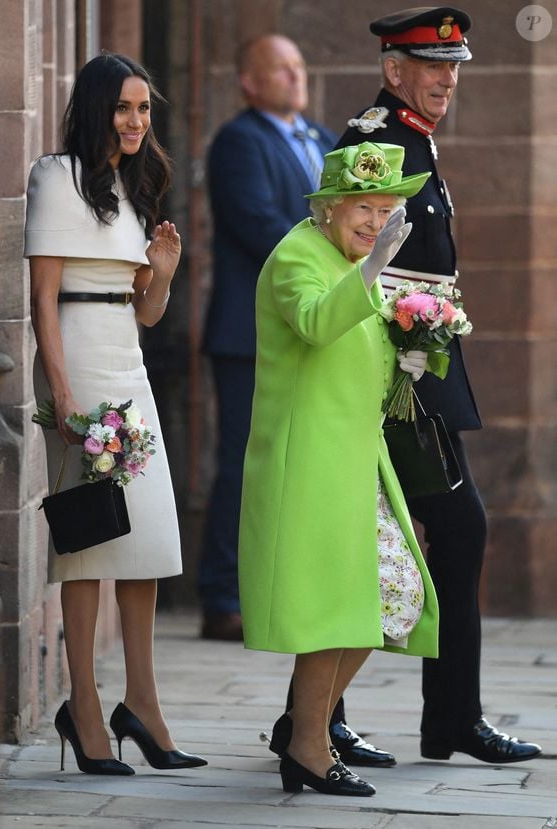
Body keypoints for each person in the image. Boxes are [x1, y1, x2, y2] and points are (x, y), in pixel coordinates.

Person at [271, 6, 542, 766]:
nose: (447, 79)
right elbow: (350, 255)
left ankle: (345, 719)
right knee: (440, 532)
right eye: (433, 66)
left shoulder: (411, 138)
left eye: (454, 66)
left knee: (432, 535)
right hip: (393, 372)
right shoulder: (374, 140)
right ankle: (410, 719)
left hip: (421, 364)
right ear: (395, 71)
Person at [25, 53, 207, 775]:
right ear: (98, 107)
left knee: (150, 539)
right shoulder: (56, 177)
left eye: (145, 110)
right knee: (88, 540)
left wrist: (160, 272)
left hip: (127, 364)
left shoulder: (137, 189)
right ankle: (86, 708)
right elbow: (43, 299)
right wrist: (61, 393)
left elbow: (146, 313)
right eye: (125, 108)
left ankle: (145, 704)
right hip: (77, 363)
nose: (136, 122)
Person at [239, 140, 438, 797]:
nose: (373, 222)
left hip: (356, 460)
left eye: (385, 211)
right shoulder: (299, 253)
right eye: (362, 207)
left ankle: (305, 728)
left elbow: (370, 355)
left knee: (394, 598)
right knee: (336, 606)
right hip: (310, 465)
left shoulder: (353, 258)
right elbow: (317, 323)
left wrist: (418, 347)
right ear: (326, 208)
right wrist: (373, 273)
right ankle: (308, 744)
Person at [199, 34, 337, 641]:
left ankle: (282, 591)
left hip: (311, 331)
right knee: (242, 465)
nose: (293, 75)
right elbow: (259, 224)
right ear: (249, 83)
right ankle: (222, 596)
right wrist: (336, 269)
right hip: (248, 334)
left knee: (298, 466)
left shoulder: (326, 141)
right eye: (279, 68)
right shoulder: (238, 141)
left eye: (299, 65)